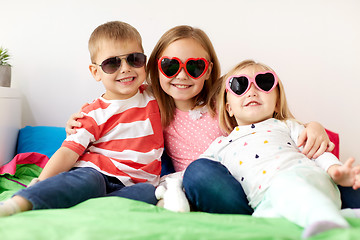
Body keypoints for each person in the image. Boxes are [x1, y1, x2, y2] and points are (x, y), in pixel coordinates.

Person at [65, 25, 338, 209]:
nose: (182, 75)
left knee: (337, 178)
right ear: (154, 68)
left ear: (208, 70)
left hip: (257, 174)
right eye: (170, 66)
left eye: (194, 67)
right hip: (210, 187)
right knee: (199, 171)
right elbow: (109, 115)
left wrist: (314, 126)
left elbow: (273, 122)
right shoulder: (150, 104)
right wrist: (77, 123)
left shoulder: (225, 98)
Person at [0, 21, 164, 217]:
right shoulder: (92, 113)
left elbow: (178, 86)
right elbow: (67, 153)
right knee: (86, 181)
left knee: (149, 193)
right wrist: (41, 182)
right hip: (96, 172)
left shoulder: (155, 96)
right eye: (112, 63)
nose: (125, 68)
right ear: (96, 72)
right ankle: (21, 202)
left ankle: (92, 208)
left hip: (137, 182)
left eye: (134, 59)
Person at [197, 59, 360, 238]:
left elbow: (317, 151)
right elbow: (192, 173)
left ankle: (331, 225)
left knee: (285, 185)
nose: (251, 91)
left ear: (276, 103)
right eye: (239, 85)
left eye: (263, 83)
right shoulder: (220, 145)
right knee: (264, 222)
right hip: (265, 200)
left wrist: (335, 169)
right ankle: (348, 216)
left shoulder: (285, 126)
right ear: (229, 109)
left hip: (304, 178)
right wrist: (169, 190)